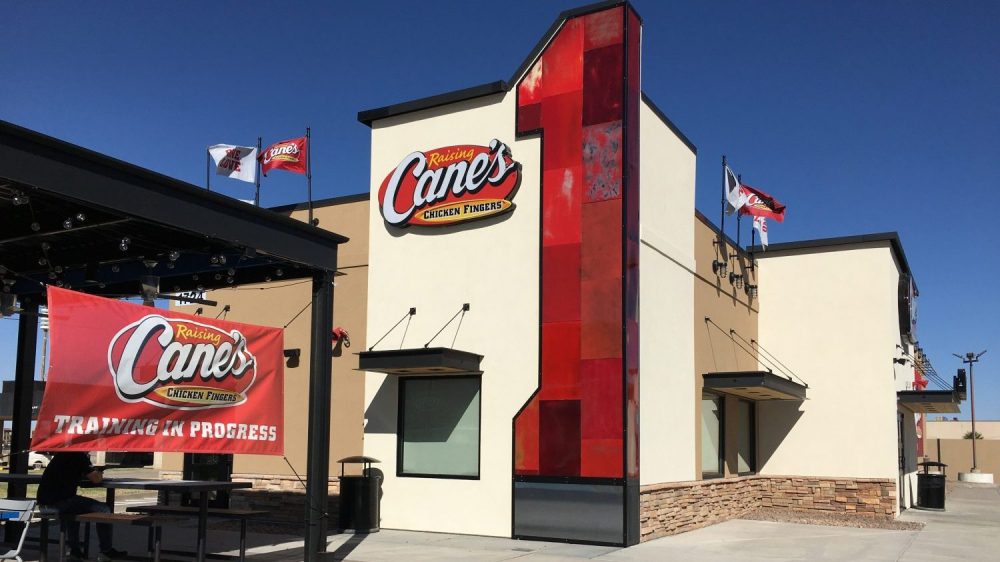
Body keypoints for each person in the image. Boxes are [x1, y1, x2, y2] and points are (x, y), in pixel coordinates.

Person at [37, 452, 127, 562]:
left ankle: (75, 551)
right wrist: (99, 472)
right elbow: (96, 479)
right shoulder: (80, 456)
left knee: (75, 512)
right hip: (61, 502)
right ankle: (106, 551)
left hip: (44, 503)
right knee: (105, 510)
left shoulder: (61, 455)